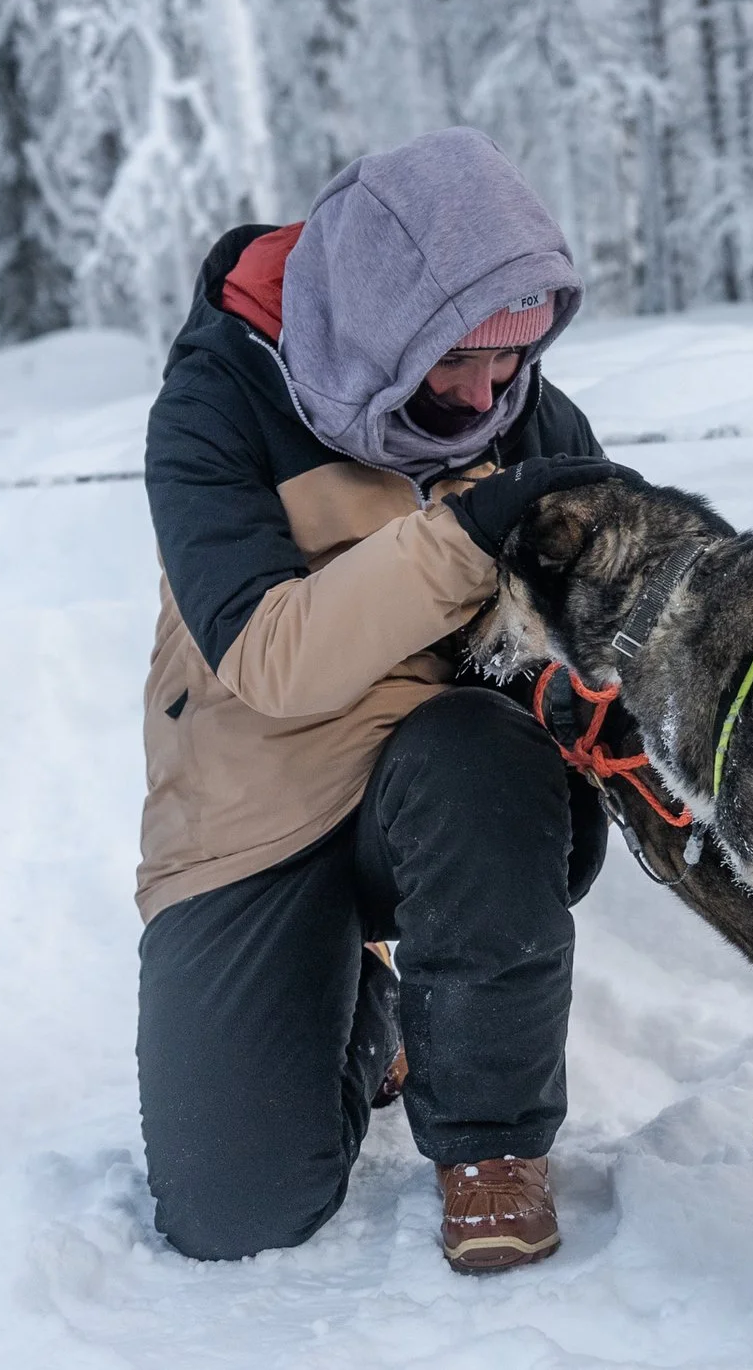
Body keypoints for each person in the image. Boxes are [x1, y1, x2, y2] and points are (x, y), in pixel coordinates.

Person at [137, 127, 625, 1274]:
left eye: (512, 357)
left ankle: (491, 1147)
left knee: (473, 744)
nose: (486, 389)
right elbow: (268, 657)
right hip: (255, 808)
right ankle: (366, 1011)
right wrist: (467, 536)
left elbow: (625, 615)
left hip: (451, 802)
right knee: (232, 1209)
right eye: (455, 360)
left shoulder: (523, 412)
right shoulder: (216, 405)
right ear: (377, 328)